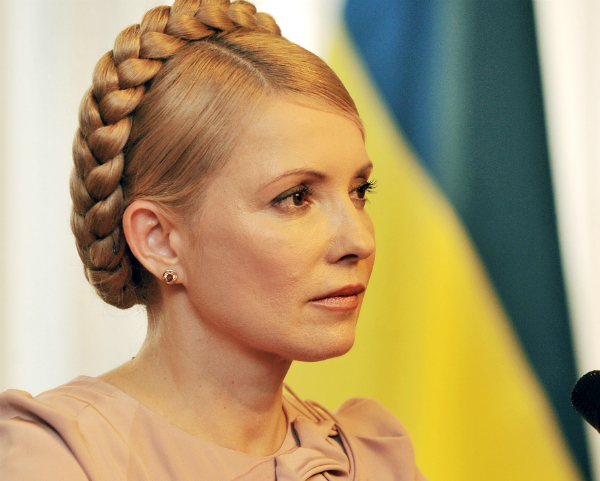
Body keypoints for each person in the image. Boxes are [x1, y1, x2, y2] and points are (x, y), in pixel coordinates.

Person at [0, 0, 427, 479]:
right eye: (296, 197)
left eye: (359, 190)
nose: (359, 241)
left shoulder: (374, 458)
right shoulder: (56, 460)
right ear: (159, 240)